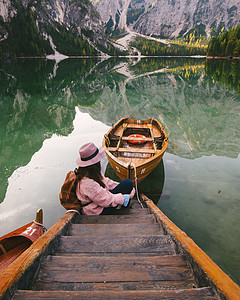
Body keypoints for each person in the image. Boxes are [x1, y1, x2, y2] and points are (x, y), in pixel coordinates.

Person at [75, 142, 135, 215]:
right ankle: (124, 209)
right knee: (127, 186)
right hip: (97, 210)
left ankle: (124, 204)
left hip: (99, 202)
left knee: (127, 184)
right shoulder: (88, 183)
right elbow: (106, 200)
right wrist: (127, 197)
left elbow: (106, 181)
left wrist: (121, 186)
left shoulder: (90, 173)